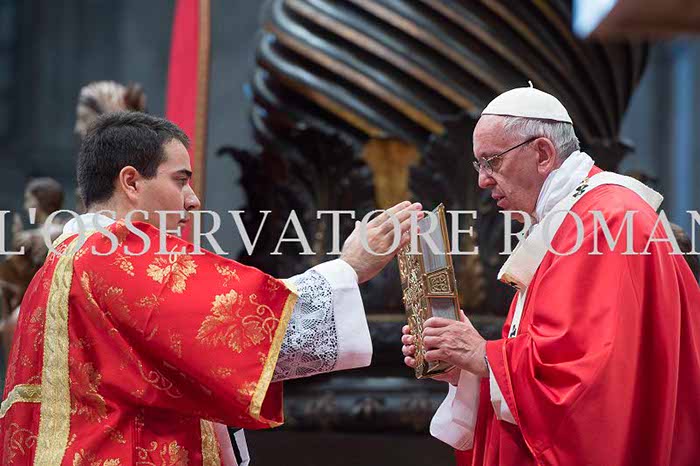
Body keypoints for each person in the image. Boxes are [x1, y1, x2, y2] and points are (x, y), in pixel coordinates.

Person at [0, 111, 423, 466]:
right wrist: (349, 268)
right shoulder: (116, 256)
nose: (193, 200)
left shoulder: (71, 258)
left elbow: (218, 329)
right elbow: (243, 330)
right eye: (180, 180)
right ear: (131, 182)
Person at [402, 86, 700, 465]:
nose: (483, 181)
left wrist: (483, 356)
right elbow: (552, 354)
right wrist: (470, 369)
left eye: (492, 162)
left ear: (542, 153)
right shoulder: (567, 217)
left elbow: (595, 379)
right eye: (479, 166)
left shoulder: (607, 220)